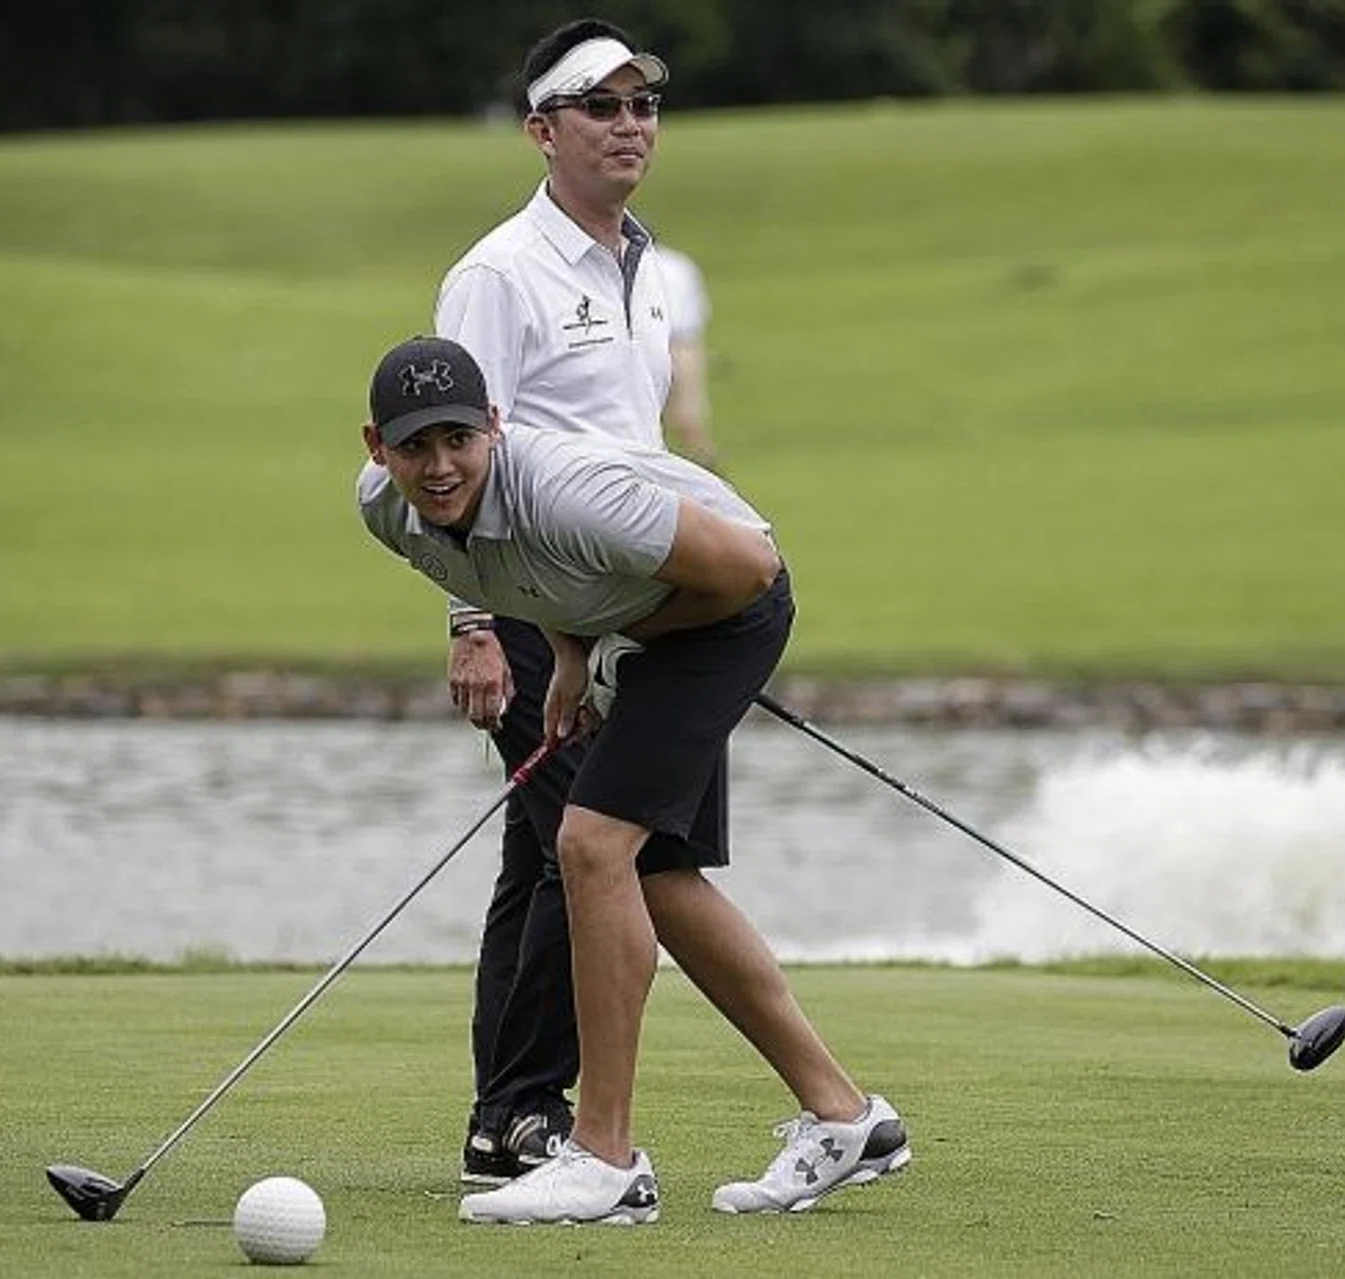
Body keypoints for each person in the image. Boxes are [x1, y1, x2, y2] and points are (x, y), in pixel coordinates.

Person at [355, 334, 911, 1225]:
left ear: (496, 427)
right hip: (645, 612)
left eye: (459, 439)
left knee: (589, 842)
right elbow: (524, 575)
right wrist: (572, 655)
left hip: (723, 605)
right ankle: (848, 1118)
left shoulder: (574, 494)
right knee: (657, 877)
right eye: (415, 445)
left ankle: (606, 1158)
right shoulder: (385, 511)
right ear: (376, 446)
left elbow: (750, 573)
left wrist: (620, 650)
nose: (440, 465)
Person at [433, 18, 703, 1186]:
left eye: (643, 105)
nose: (629, 125)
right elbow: (442, 455)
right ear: (543, 132)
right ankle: (533, 1117)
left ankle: (509, 1117)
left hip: (631, 617)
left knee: (542, 860)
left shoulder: (647, 266)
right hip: (534, 611)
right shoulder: (498, 273)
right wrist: (472, 624)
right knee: (592, 858)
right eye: (601, 106)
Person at [655, 243, 718, 470]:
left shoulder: (636, 264)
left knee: (650, 420)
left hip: (654, 346)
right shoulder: (680, 263)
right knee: (688, 418)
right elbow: (699, 308)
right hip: (686, 345)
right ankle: (708, 472)